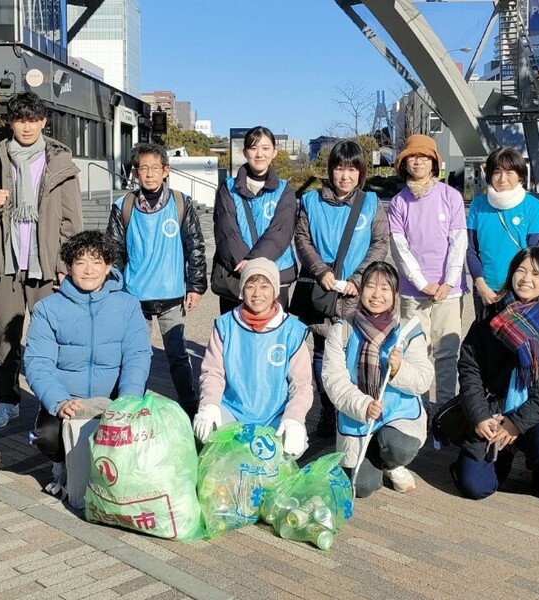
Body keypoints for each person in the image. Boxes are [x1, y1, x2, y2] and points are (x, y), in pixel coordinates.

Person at [0, 91, 83, 429]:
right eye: (20, 120)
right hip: (6, 265)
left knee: (52, 337)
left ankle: (55, 402)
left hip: (47, 267)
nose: (27, 127)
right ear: (10, 122)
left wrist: (66, 267)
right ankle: (7, 401)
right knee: (7, 338)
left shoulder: (60, 162)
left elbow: (72, 222)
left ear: (43, 121)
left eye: (32, 119)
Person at [23, 230, 151, 496]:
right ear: (69, 267)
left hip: (113, 399)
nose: (89, 270)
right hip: (69, 399)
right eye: (80, 262)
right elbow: (38, 362)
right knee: (47, 436)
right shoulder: (48, 309)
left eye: (97, 262)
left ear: (108, 266)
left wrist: (128, 400)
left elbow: (137, 355)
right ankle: (61, 464)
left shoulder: (127, 305)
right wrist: (59, 401)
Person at [452, 247, 539, 500]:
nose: (526, 279)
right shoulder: (488, 317)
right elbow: (469, 367)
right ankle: (503, 456)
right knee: (474, 486)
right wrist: (479, 415)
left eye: (536, 273)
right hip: (493, 411)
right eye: (521, 271)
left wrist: (517, 423)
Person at [294, 139, 390, 437]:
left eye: (352, 169)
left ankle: (352, 409)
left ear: (361, 172)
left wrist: (358, 279)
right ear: (330, 170)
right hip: (322, 292)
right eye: (339, 168)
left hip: (356, 294)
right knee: (322, 353)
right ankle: (327, 409)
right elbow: (302, 239)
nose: (345, 176)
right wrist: (320, 270)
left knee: (355, 352)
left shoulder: (370, 203)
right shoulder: (311, 201)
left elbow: (380, 243)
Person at [106, 142, 207, 414]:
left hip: (171, 294)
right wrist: (114, 289)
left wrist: (195, 285)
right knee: (135, 356)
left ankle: (189, 406)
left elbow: (195, 246)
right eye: (143, 168)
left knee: (177, 355)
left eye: (155, 168)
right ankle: (129, 406)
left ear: (166, 170)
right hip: (134, 296)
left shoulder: (181, 203)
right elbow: (114, 252)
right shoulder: (123, 206)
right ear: (135, 172)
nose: (149, 174)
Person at [322, 262, 433, 497]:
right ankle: (372, 454)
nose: (376, 295)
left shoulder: (408, 331)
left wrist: (399, 369)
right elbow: (334, 380)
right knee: (362, 487)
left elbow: (423, 379)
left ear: (395, 295)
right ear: (360, 290)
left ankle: (392, 464)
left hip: (397, 412)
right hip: (358, 414)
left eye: (384, 288)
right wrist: (363, 405)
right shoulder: (343, 330)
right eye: (370, 286)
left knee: (399, 447)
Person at [194, 258, 313, 457]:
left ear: (275, 291)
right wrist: (209, 405)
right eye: (250, 286)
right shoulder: (225, 325)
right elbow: (212, 373)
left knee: (292, 446)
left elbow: (301, 385)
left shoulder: (291, 331)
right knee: (206, 431)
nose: (257, 293)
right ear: (242, 290)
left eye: (265, 286)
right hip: (233, 411)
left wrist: (294, 418)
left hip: (274, 414)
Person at [387, 134, 467, 410]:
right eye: (412, 156)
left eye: (424, 156)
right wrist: (421, 283)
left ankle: (445, 409)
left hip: (449, 292)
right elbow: (399, 247)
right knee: (414, 353)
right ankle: (417, 410)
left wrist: (449, 282)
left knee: (447, 353)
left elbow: (458, 241)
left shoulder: (451, 196)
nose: (418, 161)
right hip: (413, 293)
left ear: (434, 162)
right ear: (404, 163)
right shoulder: (399, 202)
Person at [212, 126, 297, 315]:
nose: (259, 154)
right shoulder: (228, 188)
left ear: (274, 152)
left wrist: (252, 263)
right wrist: (246, 265)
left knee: (273, 331)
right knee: (235, 329)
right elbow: (227, 231)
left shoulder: (285, 190)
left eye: (266, 148)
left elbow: (281, 232)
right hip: (236, 273)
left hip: (275, 274)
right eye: (253, 148)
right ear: (245, 152)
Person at [466, 147, 539, 321]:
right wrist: (481, 286)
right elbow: (471, 249)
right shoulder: (478, 205)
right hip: (485, 289)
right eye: (497, 172)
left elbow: (535, 253)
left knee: (518, 337)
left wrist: (514, 289)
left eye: (509, 172)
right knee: (484, 336)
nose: (503, 179)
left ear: (520, 175)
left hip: (520, 289)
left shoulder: (534, 206)